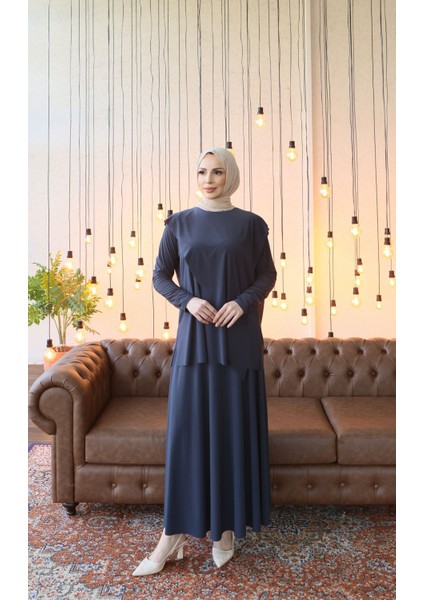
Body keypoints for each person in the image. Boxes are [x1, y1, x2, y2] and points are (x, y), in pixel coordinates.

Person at [133, 146, 277, 576]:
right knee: (189, 436)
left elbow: (266, 275)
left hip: (239, 341)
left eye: (217, 171)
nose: (208, 179)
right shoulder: (178, 223)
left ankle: (225, 529)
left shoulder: (251, 225)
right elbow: (160, 275)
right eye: (201, 172)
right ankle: (173, 534)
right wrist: (188, 300)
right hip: (195, 343)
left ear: (230, 175)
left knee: (232, 433)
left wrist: (242, 301)